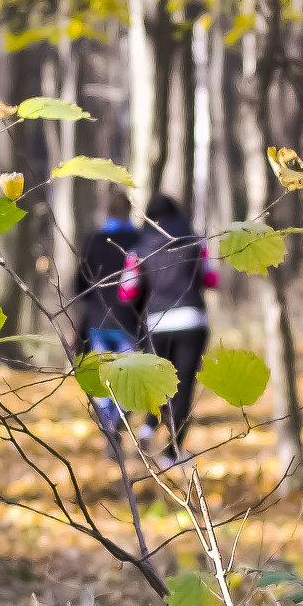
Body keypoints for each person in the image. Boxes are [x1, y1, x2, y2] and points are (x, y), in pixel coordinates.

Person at [127, 194, 218, 465]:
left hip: (156, 323)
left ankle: (147, 427)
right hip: (191, 321)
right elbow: (211, 278)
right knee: (183, 387)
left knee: (157, 382)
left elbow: (126, 290)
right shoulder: (195, 241)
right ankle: (173, 452)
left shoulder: (140, 248)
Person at [74, 189, 141, 451]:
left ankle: (107, 421)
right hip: (129, 320)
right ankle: (119, 419)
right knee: (126, 375)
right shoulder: (138, 239)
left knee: (105, 375)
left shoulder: (94, 240)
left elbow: (79, 283)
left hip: (98, 320)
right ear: (129, 209)